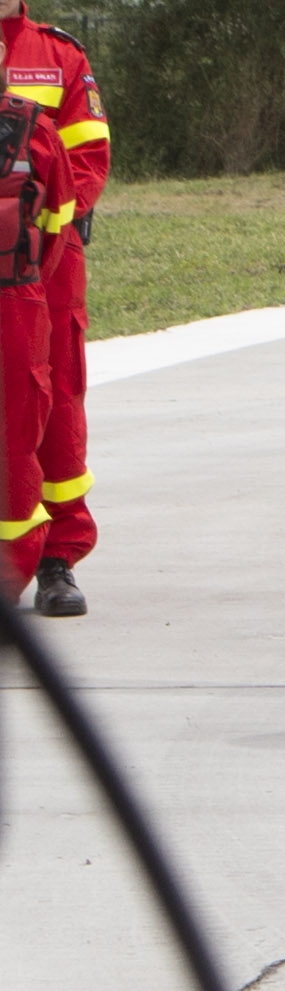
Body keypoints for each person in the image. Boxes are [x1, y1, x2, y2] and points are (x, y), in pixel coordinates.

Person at [0, 0, 106, 618]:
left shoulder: (57, 57)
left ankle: (57, 561)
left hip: (44, 268)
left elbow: (89, 161)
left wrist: (40, 232)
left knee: (54, 407)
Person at [3, 85, 79, 606]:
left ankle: (14, 573)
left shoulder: (36, 128)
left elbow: (56, 224)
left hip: (13, 300)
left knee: (17, 432)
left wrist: (22, 279)